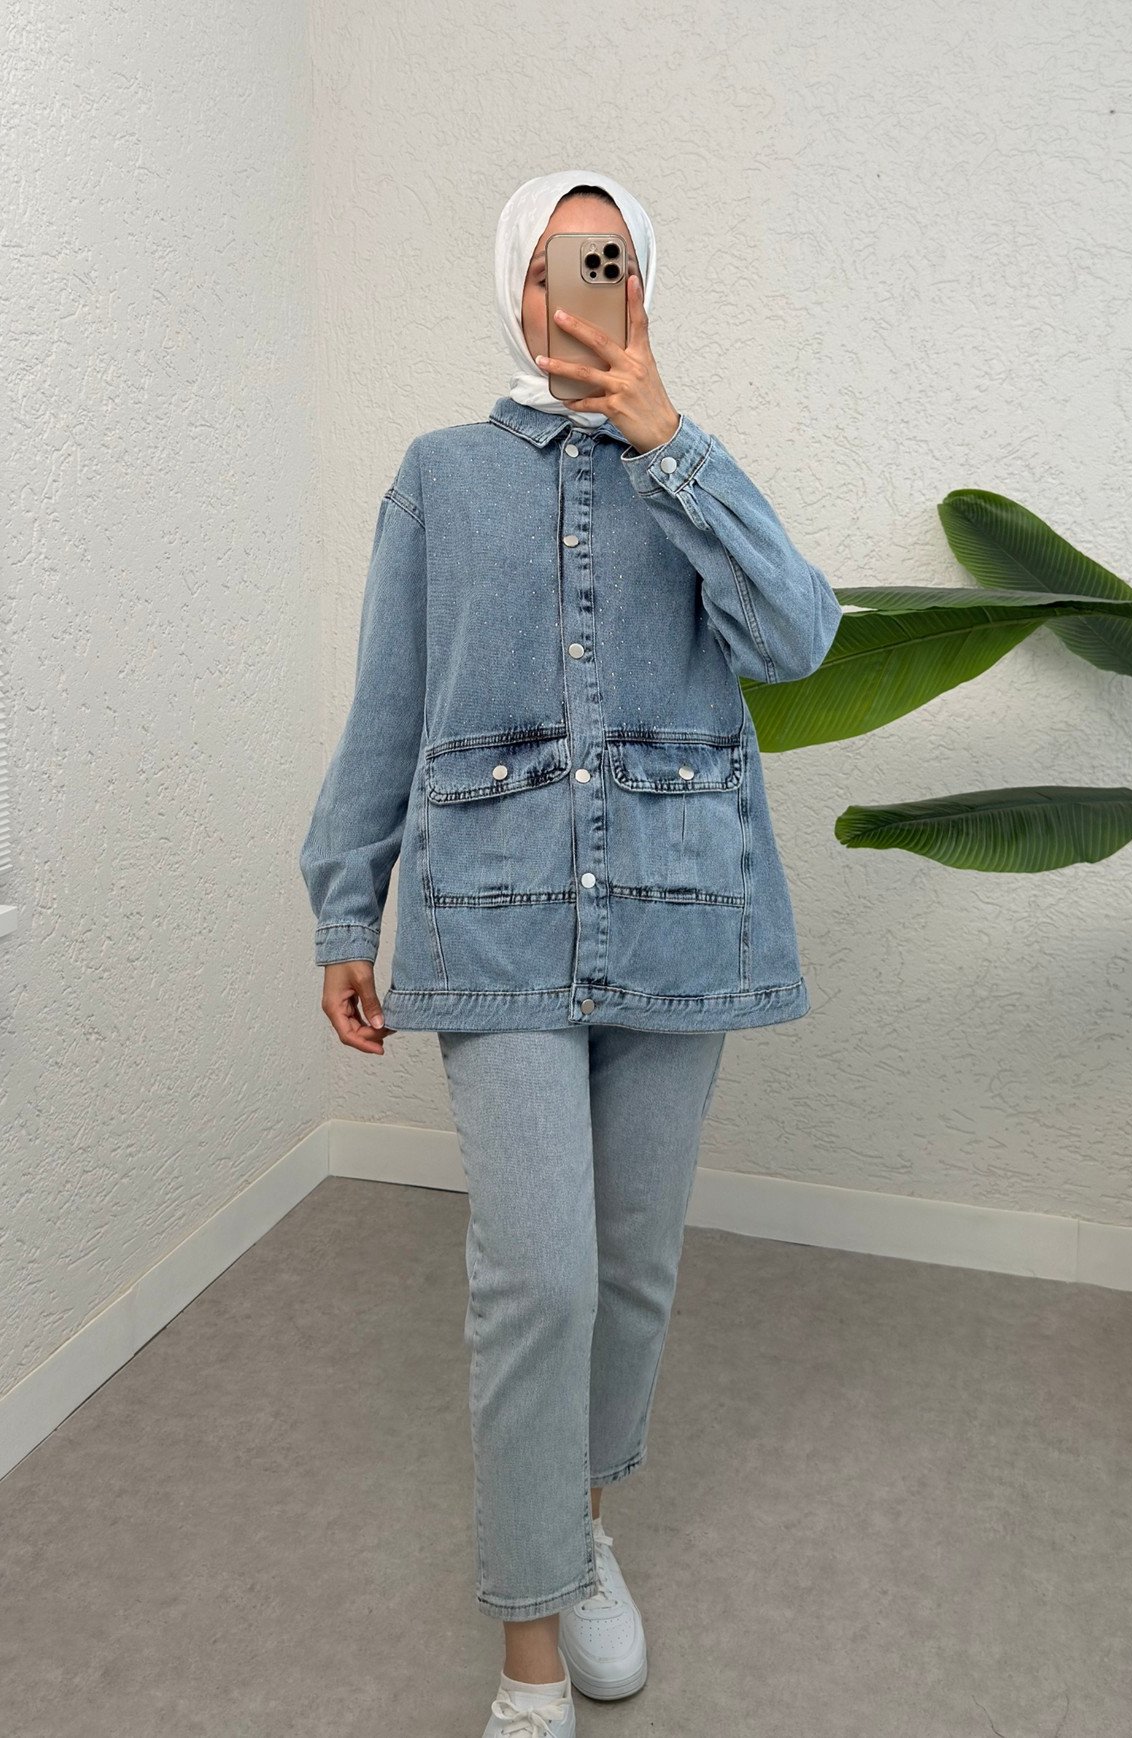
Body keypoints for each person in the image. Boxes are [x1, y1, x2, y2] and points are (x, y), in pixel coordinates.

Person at [299, 169, 843, 1737]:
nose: (568, 296)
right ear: (511, 291)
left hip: (679, 912)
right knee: (535, 1276)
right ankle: (527, 1650)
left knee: (628, 1265)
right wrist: (345, 903)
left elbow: (798, 641)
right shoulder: (439, 476)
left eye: (600, 265)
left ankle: (582, 1520)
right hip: (494, 915)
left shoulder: (692, 468)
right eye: (546, 268)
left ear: (639, 288)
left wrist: (673, 447)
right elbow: (390, 701)